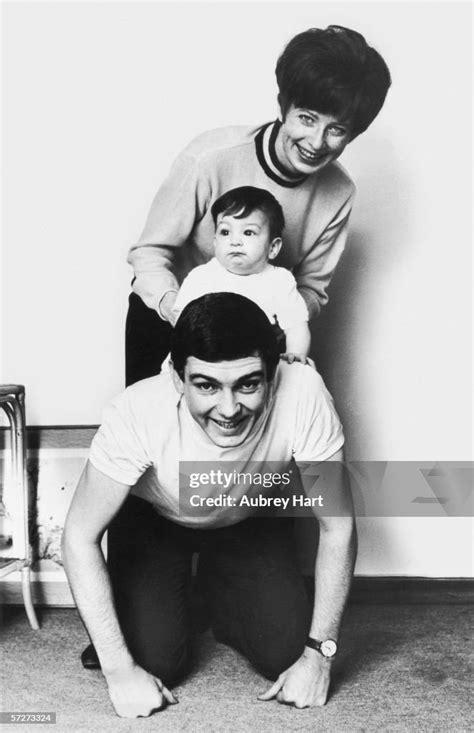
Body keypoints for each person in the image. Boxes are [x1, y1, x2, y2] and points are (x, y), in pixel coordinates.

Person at [62, 293, 356, 718]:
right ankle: (180, 596)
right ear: (178, 378)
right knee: (157, 660)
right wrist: (120, 671)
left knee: (285, 653)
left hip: (248, 516)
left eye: (249, 383)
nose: (229, 408)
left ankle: (221, 588)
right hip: (156, 522)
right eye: (206, 385)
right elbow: (78, 537)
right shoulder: (137, 412)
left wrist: (319, 656)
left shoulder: (305, 391)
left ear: (274, 373)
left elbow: (338, 526)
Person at [125, 24, 391, 386]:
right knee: (153, 435)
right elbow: (150, 254)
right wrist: (184, 313)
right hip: (168, 316)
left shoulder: (339, 192)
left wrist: (271, 320)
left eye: (336, 129)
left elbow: (311, 289)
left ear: (353, 133)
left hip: (257, 337)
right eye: (307, 118)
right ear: (283, 107)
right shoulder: (209, 157)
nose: (316, 141)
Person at [172, 186, 310, 361]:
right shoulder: (201, 277)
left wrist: (296, 354)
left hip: (253, 363)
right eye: (225, 232)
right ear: (215, 242)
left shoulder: (279, 281)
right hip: (202, 359)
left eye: (248, 232)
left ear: (273, 248)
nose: (235, 241)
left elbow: (296, 325)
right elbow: (181, 325)